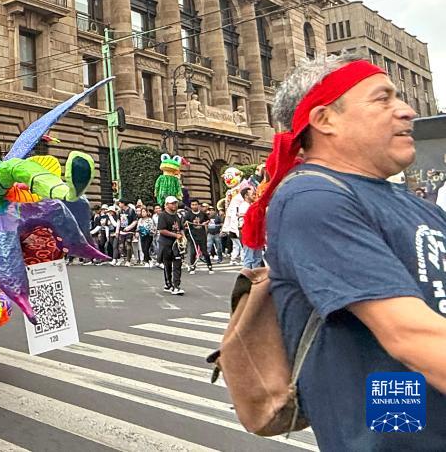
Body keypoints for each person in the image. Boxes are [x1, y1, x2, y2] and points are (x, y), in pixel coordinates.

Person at [250, 55, 446, 450]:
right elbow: (409, 334)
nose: (407, 111)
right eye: (383, 99)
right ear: (325, 119)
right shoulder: (313, 198)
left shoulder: (416, 205)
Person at [157, 195, 184, 295]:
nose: (174, 205)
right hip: (166, 243)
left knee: (177, 263)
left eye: (175, 203)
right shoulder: (163, 216)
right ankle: (168, 284)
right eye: (172, 203)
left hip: (176, 244)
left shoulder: (177, 216)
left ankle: (176, 285)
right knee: (167, 265)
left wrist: (182, 236)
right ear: (167, 205)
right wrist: (175, 235)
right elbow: (162, 230)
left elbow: (181, 228)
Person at [185, 200, 213, 273]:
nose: (194, 206)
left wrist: (205, 223)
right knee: (193, 252)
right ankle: (192, 267)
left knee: (205, 252)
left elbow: (208, 220)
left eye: (195, 204)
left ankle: (209, 266)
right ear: (191, 205)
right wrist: (186, 223)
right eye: (193, 204)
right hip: (193, 235)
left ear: (198, 205)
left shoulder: (202, 213)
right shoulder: (188, 214)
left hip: (202, 235)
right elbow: (184, 223)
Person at [238, 185, 263, 268]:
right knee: (249, 258)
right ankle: (247, 275)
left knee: (257, 258)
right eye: (252, 194)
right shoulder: (244, 206)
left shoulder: (251, 205)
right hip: (249, 234)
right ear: (246, 195)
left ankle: (255, 274)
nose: (254, 196)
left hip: (256, 234)